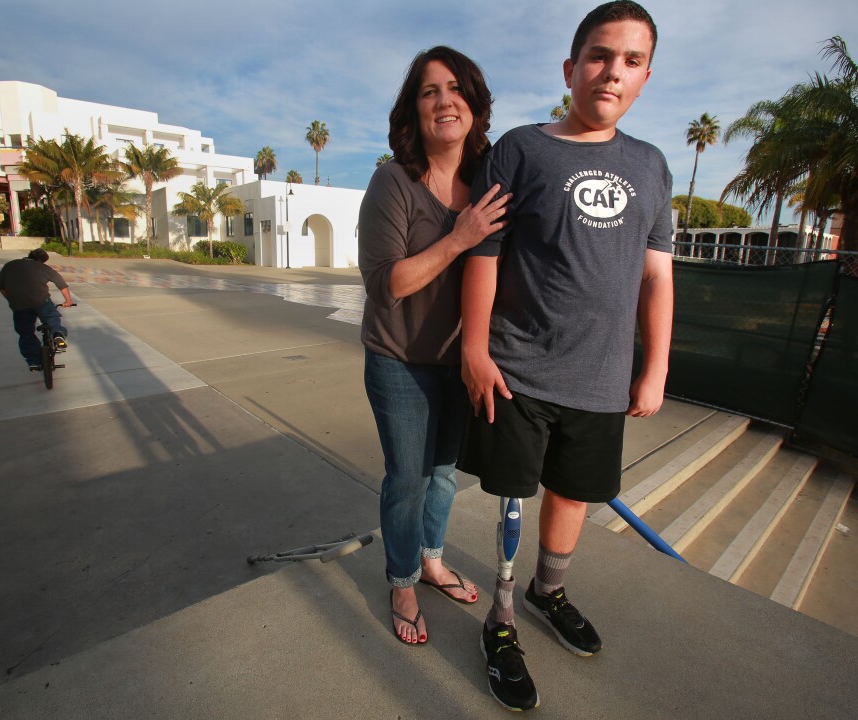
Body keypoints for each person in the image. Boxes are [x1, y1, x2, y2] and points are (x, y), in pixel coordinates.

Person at [459, 1, 674, 710]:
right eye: (599, 55)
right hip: (519, 369)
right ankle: (502, 617)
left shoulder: (650, 165)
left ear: (645, 77)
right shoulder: (522, 149)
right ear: (571, 68)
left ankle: (550, 592)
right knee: (512, 499)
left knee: (576, 495)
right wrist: (475, 349)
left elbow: (656, 277)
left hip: (602, 380)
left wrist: (655, 366)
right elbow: (484, 254)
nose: (612, 71)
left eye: (631, 60)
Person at [358, 46, 512, 646]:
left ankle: (430, 558)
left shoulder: (489, 184)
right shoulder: (393, 181)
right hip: (399, 361)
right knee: (407, 478)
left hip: (460, 362)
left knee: (445, 475)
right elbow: (386, 284)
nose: (444, 101)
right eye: (429, 92)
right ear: (414, 111)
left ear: (474, 104)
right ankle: (401, 579)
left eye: (455, 89)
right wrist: (460, 236)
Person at [0, 248, 74, 370]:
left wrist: (11, 300)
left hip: (19, 304)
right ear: (42, 261)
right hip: (40, 301)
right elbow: (61, 284)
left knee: (25, 333)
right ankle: (58, 333)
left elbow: (1, 286)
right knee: (52, 317)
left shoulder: (10, 265)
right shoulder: (42, 267)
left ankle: (34, 361)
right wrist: (68, 301)